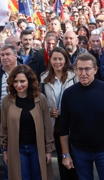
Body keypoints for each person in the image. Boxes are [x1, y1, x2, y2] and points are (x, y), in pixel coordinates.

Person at [60, 53, 104, 180]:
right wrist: (66, 154)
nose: (83, 73)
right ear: (75, 70)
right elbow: (64, 126)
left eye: (87, 69)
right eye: (80, 69)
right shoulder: (68, 94)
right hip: (79, 151)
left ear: (95, 70)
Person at [0, 65, 55, 180]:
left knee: (38, 177)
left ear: (29, 81)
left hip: (37, 147)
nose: (18, 85)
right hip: (17, 149)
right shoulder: (7, 101)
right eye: (15, 81)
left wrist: (48, 150)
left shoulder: (41, 99)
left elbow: (47, 127)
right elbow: (4, 128)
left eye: (22, 81)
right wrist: (4, 150)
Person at [40, 47, 78, 180]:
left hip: (73, 122)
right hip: (55, 123)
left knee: (76, 156)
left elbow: (80, 96)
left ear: (66, 60)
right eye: (54, 59)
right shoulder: (43, 78)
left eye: (60, 59)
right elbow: (41, 102)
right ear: (50, 60)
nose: (57, 62)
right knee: (63, 155)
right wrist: (50, 112)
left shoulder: (74, 76)